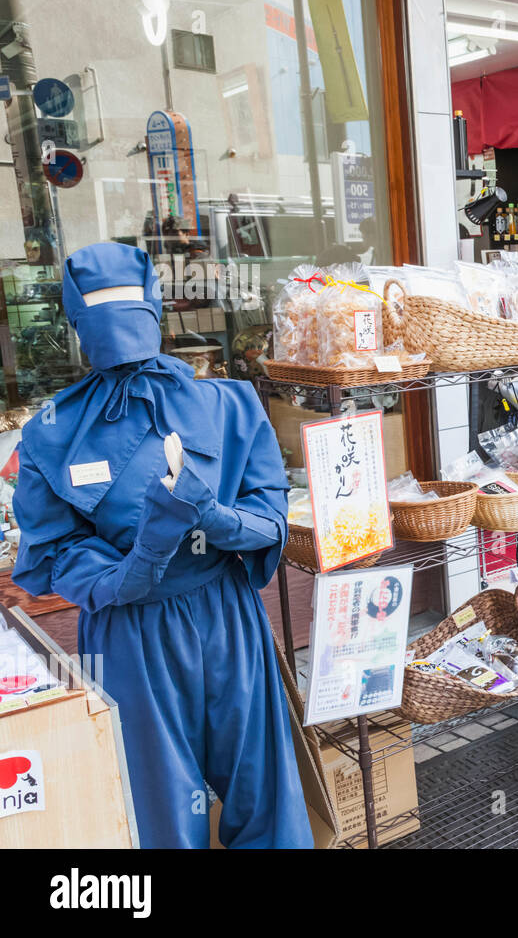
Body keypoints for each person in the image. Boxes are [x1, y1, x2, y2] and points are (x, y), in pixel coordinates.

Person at [13, 243, 312, 848]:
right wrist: (134, 566)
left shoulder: (228, 403)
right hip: (130, 629)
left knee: (256, 782)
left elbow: (270, 518)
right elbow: (55, 550)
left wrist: (210, 516)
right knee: (159, 803)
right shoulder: (51, 432)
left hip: (222, 612)